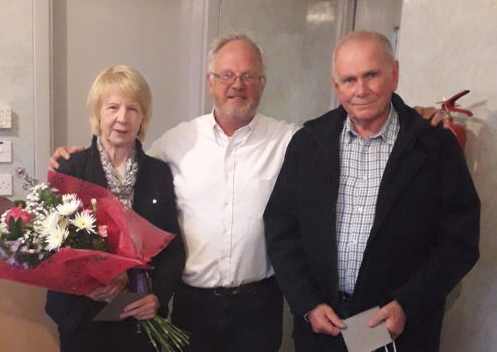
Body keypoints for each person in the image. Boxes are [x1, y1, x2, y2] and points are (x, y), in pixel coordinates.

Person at [49, 34, 446, 351]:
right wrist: (73, 156)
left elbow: (358, 115)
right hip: (194, 305)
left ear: (262, 84)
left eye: (248, 76)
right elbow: (126, 169)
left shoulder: (296, 141)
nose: (236, 85)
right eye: (226, 75)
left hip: (260, 306)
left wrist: (416, 118)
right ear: (210, 83)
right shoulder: (174, 143)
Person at [263, 31, 480, 352]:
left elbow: (458, 242)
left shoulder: (434, 146)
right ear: (336, 87)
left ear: (394, 74)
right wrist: (307, 303)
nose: (360, 90)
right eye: (349, 80)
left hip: (397, 328)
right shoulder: (308, 143)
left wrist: (408, 303)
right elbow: (281, 229)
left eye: (371, 75)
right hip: (323, 327)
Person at [45, 65, 185, 352]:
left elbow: (173, 247)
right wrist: (84, 284)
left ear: (143, 116)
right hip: (83, 317)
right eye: (112, 107)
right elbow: (50, 247)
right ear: (98, 113)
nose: (122, 118)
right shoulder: (71, 168)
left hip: (139, 317)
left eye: (133, 109)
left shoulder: (159, 173)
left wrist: (157, 297)